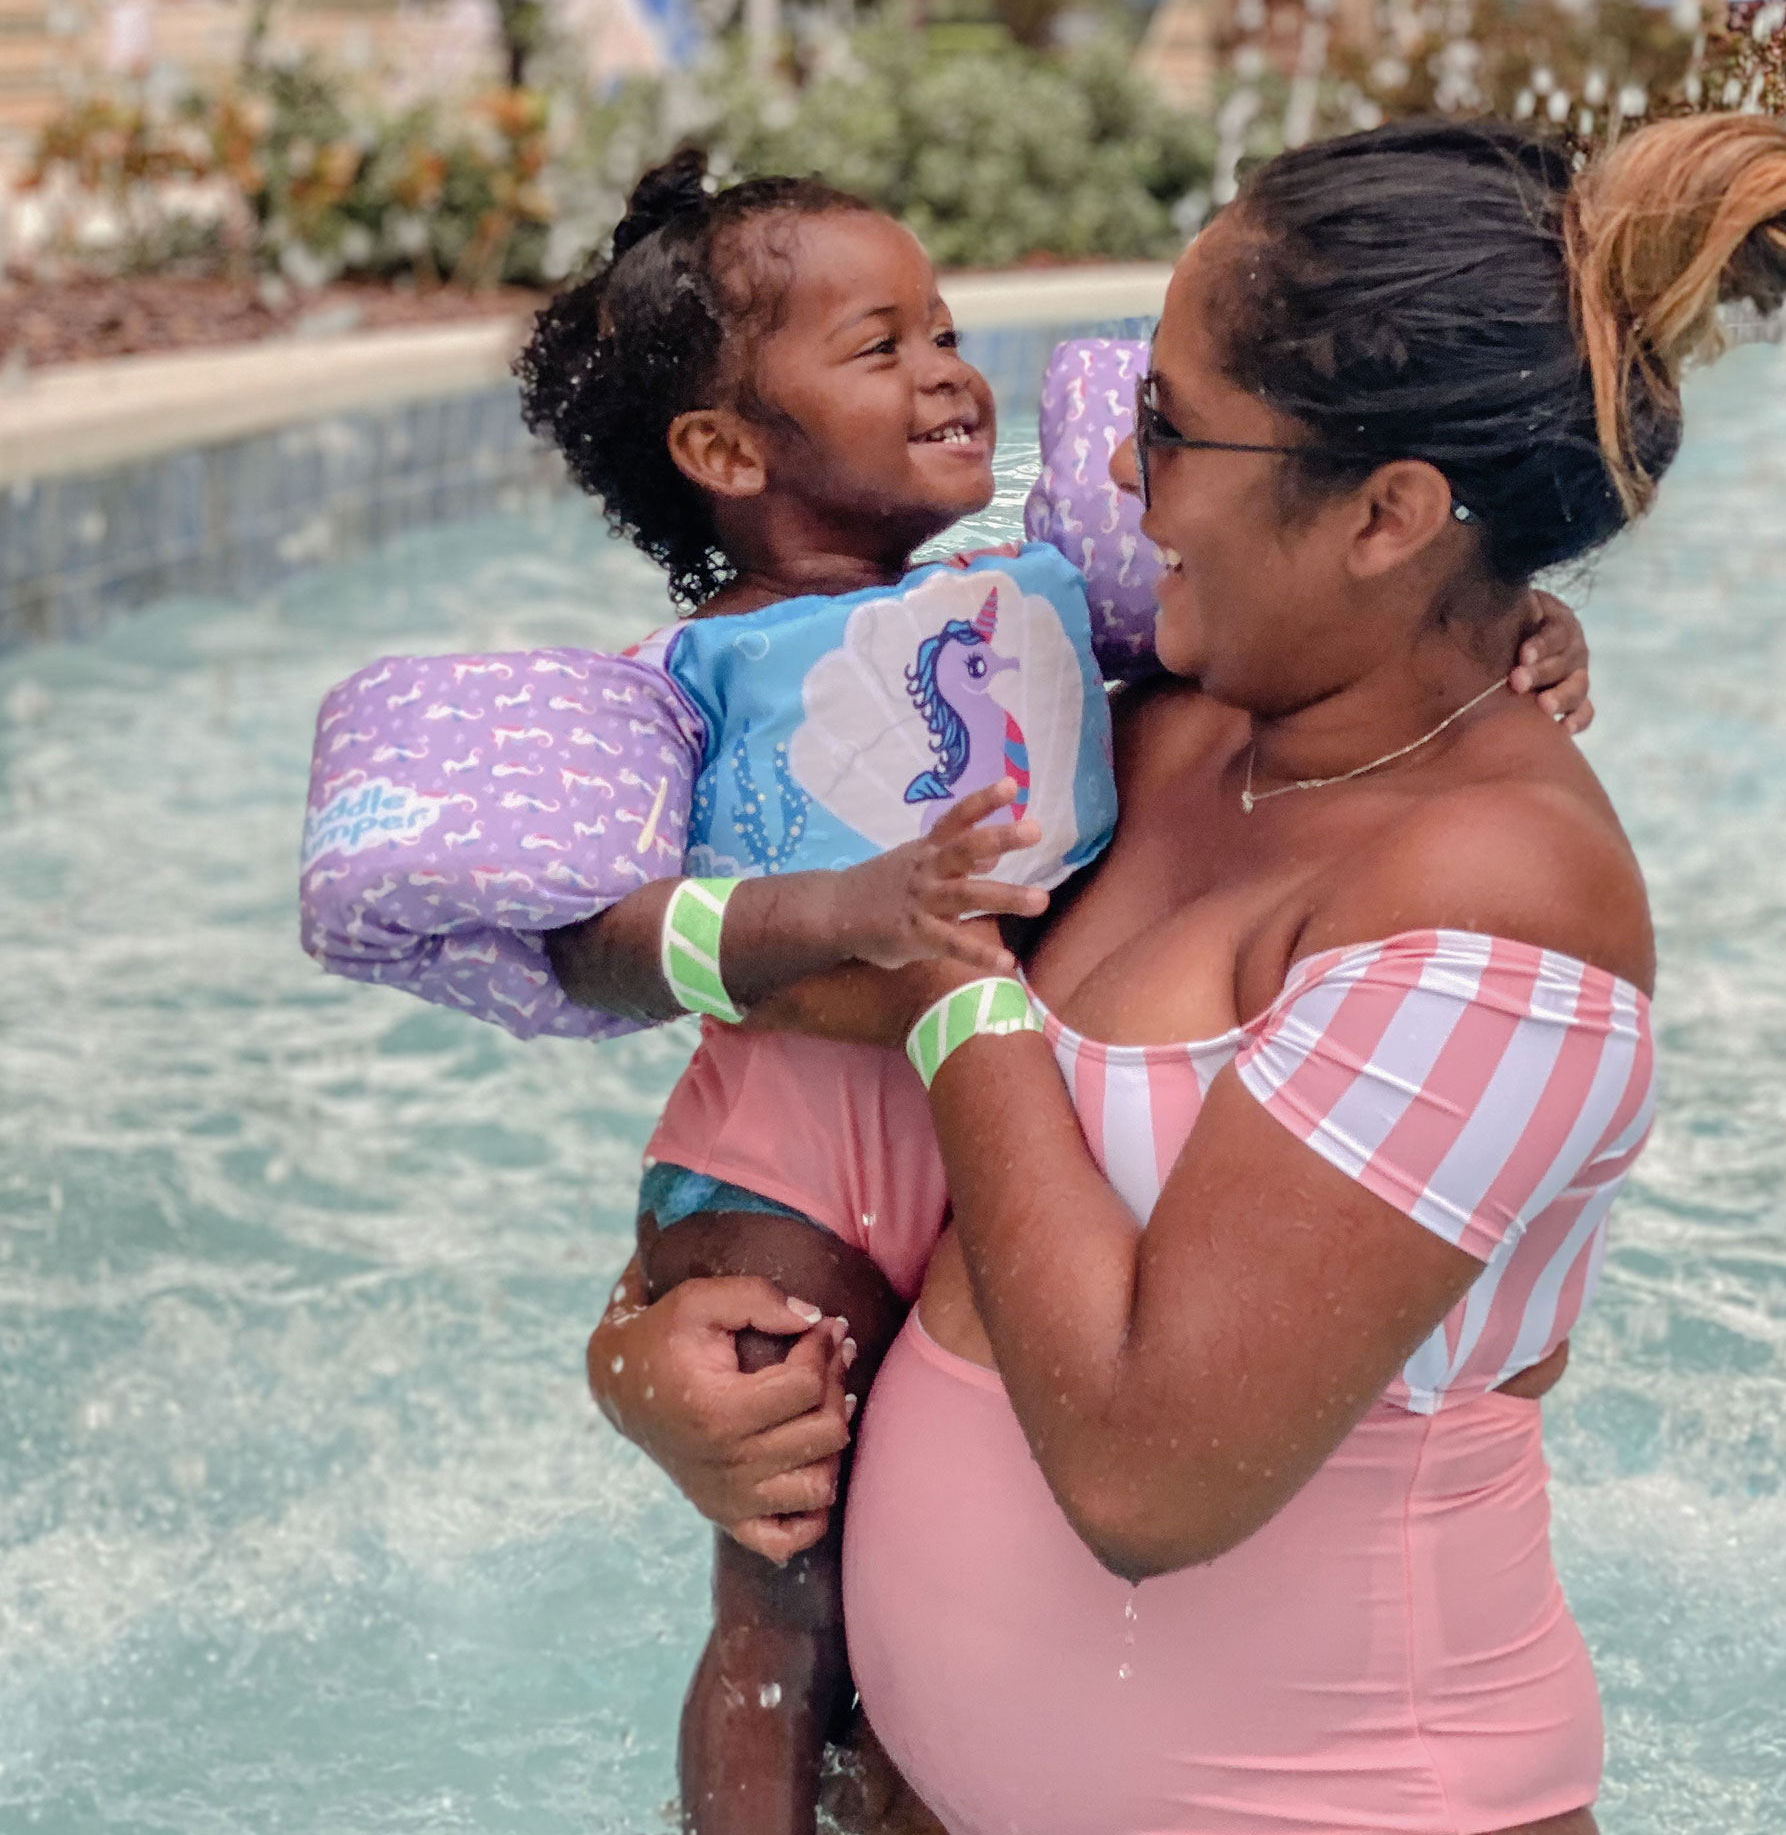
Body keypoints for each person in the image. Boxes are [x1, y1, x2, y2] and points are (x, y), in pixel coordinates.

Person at [582, 113, 1786, 1834]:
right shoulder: (1163, 741)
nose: (1117, 477)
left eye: (1170, 429)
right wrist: (651, 1373)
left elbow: (1150, 1469)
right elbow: (834, 1145)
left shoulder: (1502, 900)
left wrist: (953, 997)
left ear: (1389, 514)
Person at [302, 149, 1591, 1832]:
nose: (952, 373)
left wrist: (1509, 622)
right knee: (780, 1586)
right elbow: (599, 943)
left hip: (989, 1136)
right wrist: (822, 927)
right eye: (881, 345)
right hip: (796, 1142)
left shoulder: (1086, 629)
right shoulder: (685, 680)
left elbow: (1363, 654)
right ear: (722, 450)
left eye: (947, 329)